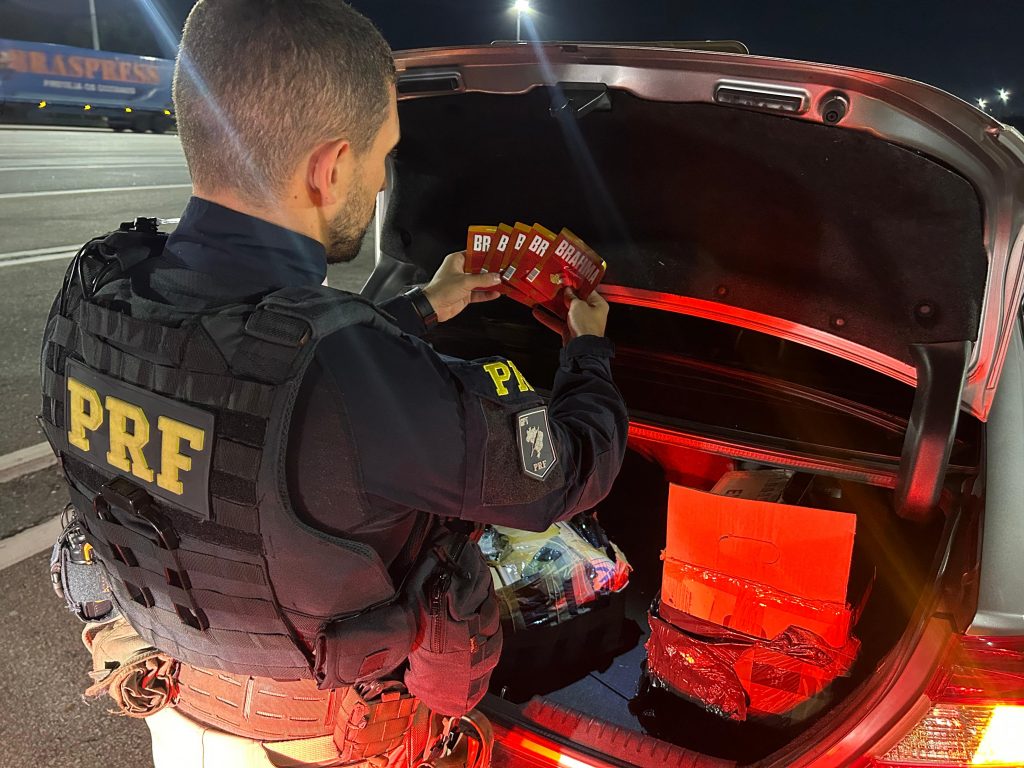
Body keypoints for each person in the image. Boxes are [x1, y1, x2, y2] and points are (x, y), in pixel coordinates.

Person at [38, 1, 628, 766]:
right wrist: (589, 351)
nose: (384, 175)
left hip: (177, 708)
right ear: (329, 167)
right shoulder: (352, 371)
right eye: (382, 154)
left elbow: (253, 363)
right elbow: (568, 472)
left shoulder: (95, 290)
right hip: (324, 742)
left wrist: (420, 309)